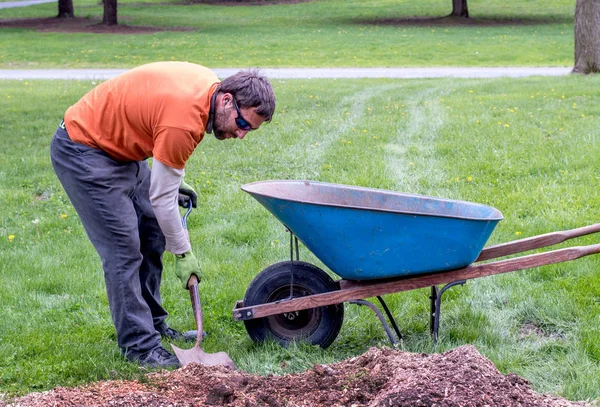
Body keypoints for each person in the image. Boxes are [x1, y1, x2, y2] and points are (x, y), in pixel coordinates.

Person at [50, 61, 276, 368]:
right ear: (226, 100)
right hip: (85, 151)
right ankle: (140, 347)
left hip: (120, 151)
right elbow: (162, 198)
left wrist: (172, 181)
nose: (241, 135)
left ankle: (153, 324)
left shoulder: (208, 88)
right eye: (243, 124)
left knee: (153, 232)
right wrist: (183, 254)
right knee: (124, 251)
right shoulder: (185, 121)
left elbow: (156, 126)